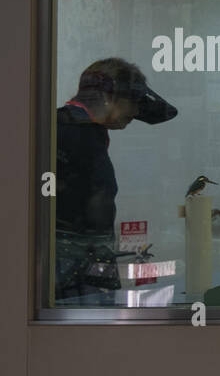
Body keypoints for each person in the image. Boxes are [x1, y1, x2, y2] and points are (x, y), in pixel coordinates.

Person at [54, 58, 177, 304]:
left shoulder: (79, 129)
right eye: (133, 102)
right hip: (68, 265)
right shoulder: (61, 128)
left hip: (86, 260)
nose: (135, 112)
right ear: (110, 97)